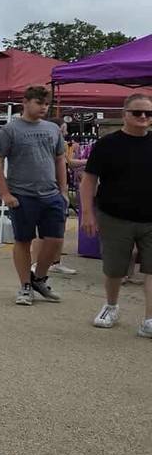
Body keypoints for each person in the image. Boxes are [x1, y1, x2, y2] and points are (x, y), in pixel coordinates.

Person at [80, 93, 152, 334]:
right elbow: (89, 181)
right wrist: (87, 213)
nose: (143, 117)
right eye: (137, 112)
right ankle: (111, 306)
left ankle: (149, 319)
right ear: (125, 114)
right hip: (115, 216)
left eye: (148, 113)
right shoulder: (107, 145)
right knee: (114, 269)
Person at [0, 86, 66, 306]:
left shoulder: (52, 129)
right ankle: (25, 286)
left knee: (55, 240)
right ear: (26, 102)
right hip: (23, 194)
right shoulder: (10, 130)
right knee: (23, 241)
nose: (43, 108)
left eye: (46, 104)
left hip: (50, 193)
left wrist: (63, 190)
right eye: (39, 103)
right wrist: (5, 193)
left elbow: (60, 159)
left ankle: (39, 278)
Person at [31, 119, 87, 276]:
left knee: (59, 228)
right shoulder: (49, 144)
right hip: (47, 189)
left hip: (58, 189)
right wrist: (89, 161)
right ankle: (36, 263)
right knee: (42, 230)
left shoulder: (60, 144)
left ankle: (55, 261)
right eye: (63, 130)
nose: (66, 133)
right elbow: (69, 163)